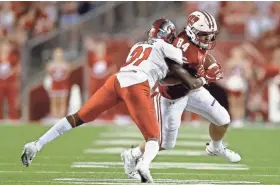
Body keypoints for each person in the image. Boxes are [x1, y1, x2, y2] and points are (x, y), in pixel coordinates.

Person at [21, 18, 206, 183]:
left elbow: (160, 73)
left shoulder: (138, 46)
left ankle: (36, 144)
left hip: (117, 80)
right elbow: (186, 65)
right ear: (169, 36)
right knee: (154, 139)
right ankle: (143, 165)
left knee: (78, 117)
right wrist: (202, 74)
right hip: (137, 84)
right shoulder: (168, 47)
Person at [121, 11, 241, 180]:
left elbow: (202, 55)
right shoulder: (178, 50)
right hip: (171, 98)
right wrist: (204, 77)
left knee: (223, 119)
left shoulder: (192, 38)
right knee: (164, 143)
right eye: (205, 36)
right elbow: (164, 80)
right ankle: (132, 154)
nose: (208, 40)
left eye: (210, 36)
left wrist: (211, 65)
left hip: (192, 91)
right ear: (193, 32)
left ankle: (216, 147)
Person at [46, 48, 71, 118]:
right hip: (54, 86)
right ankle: (54, 116)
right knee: (54, 102)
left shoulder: (65, 64)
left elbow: (68, 73)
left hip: (63, 86)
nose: (58, 56)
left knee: (63, 102)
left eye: (60, 55)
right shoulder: (50, 64)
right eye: (57, 55)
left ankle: (61, 116)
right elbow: (48, 74)